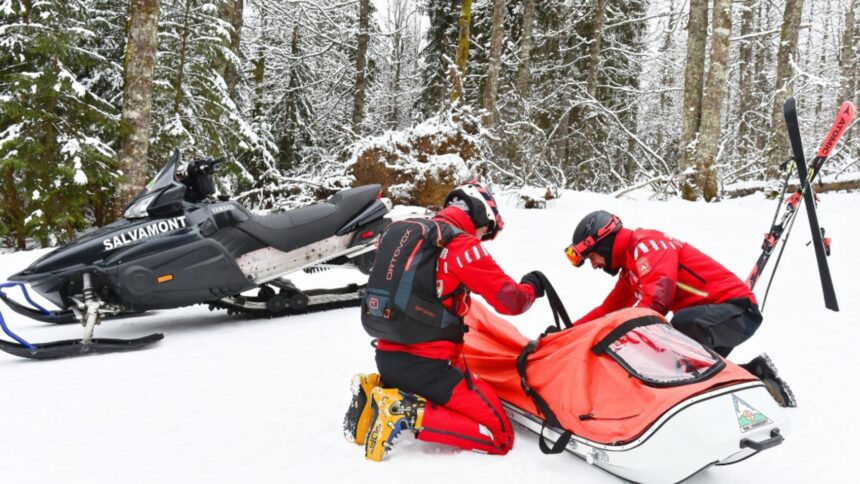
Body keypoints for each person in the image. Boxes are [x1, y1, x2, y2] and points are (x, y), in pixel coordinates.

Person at [343, 181, 546, 461]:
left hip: (387, 356)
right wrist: (532, 287)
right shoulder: (459, 244)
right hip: (430, 368)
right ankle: (404, 411)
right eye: (486, 230)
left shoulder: (406, 233)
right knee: (500, 435)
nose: (483, 237)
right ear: (479, 212)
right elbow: (510, 300)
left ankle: (375, 391)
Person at [564, 210, 796, 408]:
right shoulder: (630, 270)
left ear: (605, 243)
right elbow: (608, 309)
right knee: (680, 368)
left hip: (738, 312)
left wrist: (622, 342)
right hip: (713, 319)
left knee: (673, 337)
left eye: (592, 257)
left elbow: (657, 300)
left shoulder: (647, 244)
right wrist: (567, 334)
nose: (594, 266)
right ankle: (757, 378)